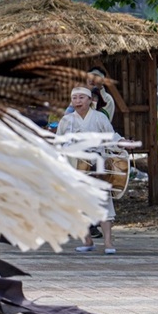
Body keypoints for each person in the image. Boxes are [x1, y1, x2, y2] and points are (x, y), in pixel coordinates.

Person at [56, 86, 118, 255]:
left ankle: (108, 242)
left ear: (90, 100)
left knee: (103, 202)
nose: (78, 101)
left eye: (81, 98)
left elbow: (111, 137)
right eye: (74, 98)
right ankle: (87, 240)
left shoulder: (99, 118)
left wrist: (120, 143)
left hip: (96, 165)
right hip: (74, 166)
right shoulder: (66, 121)